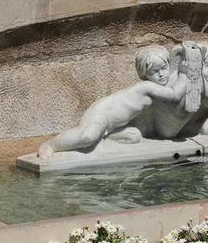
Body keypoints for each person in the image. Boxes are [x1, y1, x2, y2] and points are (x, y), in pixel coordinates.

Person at [37, 45, 187, 159]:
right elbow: (175, 95)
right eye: (154, 71)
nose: (161, 75)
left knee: (133, 135)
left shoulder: (155, 85)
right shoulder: (147, 87)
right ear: (144, 74)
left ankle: (102, 138)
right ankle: (51, 144)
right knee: (88, 137)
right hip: (102, 114)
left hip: (113, 125)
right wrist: (186, 71)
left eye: (164, 68)